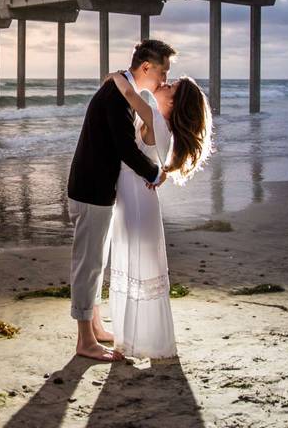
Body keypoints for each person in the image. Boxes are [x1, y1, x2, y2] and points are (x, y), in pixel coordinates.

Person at [66, 39, 174, 362]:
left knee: (95, 261)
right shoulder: (117, 95)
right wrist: (155, 174)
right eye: (162, 72)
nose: (164, 80)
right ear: (146, 68)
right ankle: (85, 341)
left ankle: (95, 327)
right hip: (91, 190)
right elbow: (126, 149)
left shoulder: (121, 90)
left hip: (96, 188)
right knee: (88, 265)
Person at [106, 70, 213, 359]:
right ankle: (138, 341)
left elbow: (129, 93)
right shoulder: (161, 123)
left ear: (174, 103)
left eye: (171, 85)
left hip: (137, 201)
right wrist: (158, 174)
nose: (164, 84)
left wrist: (115, 77)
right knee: (136, 266)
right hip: (136, 197)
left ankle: (132, 343)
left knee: (136, 266)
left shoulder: (155, 117)